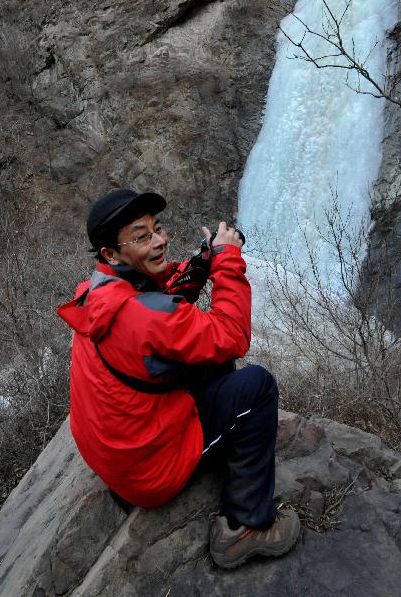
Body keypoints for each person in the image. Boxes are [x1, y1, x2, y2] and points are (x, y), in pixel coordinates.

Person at [57, 188, 300, 569]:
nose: (160, 240)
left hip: (117, 452)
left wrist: (201, 265)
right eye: (142, 236)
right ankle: (246, 528)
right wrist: (227, 261)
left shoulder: (97, 290)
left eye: (158, 228)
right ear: (110, 253)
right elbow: (233, 335)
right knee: (257, 387)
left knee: (208, 359)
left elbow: (160, 304)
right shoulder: (141, 316)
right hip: (150, 472)